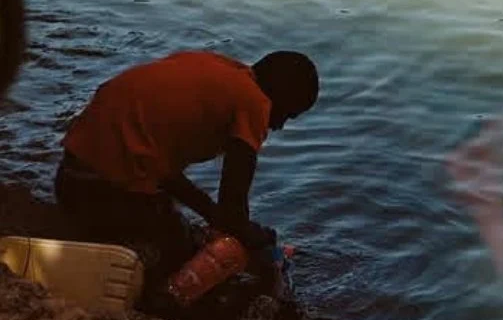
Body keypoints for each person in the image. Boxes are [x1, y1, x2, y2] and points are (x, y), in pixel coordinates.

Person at [55, 49, 319, 284]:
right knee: (180, 256)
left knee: (177, 224)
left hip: (71, 178)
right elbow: (233, 206)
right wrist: (256, 238)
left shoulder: (221, 70)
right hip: (98, 191)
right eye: (286, 115)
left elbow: (164, 173)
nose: (279, 125)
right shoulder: (254, 102)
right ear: (279, 99)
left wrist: (215, 216)